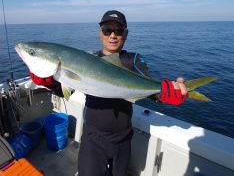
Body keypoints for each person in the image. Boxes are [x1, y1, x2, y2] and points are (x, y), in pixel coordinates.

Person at [30, 10, 188, 176]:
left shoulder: (133, 60)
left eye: (118, 31)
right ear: (101, 34)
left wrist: (163, 93)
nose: (112, 36)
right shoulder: (88, 60)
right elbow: (66, 89)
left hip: (123, 139)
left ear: (125, 34)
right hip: (93, 138)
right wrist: (50, 82)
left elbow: (147, 85)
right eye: (107, 30)